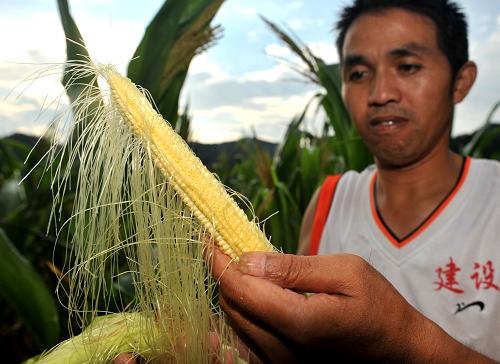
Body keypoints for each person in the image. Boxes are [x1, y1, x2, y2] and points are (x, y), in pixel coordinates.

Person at [211, 0, 500, 362]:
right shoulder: (329, 202)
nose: (380, 94)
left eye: (407, 67)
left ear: (461, 81)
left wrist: (402, 338)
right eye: (359, 74)